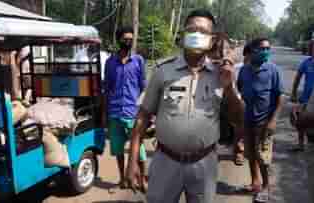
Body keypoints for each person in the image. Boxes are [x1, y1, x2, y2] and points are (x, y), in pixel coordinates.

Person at [127, 9, 244, 203]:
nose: (197, 35)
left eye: (203, 32)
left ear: (213, 39)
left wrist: (229, 86)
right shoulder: (163, 71)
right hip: (165, 161)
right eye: (192, 30)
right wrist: (132, 161)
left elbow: (238, 119)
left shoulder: (222, 73)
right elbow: (143, 116)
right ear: (183, 35)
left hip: (204, 164)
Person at [237, 38, 284, 202]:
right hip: (248, 119)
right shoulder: (243, 70)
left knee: (263, 157)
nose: (266, 51)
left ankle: (266, 187)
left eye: (268, 48)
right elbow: (240, 90)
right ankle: (255, 182)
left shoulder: (273, 70)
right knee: (250, 153)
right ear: (253, 50)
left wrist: (273, 120)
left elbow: (280, 97)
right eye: (262, 48)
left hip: (265, 122)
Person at [103, 26, 148, 190]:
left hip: (133, 113)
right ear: (118, 40)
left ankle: (142, 180)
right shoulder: (110, 63)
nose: (128, 42)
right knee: (118, 150)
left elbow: (144, 88)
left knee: (140, 152)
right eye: (125, 39)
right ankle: (123, 179)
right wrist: (104, 114)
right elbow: (106, 89)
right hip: (115, 113)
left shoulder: (138, 61)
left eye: (131, 39)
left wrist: (146, 113)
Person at [290, 42, 314, 151]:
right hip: (306, 98)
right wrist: (294, 93)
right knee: (299, 121)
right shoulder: (306, 63)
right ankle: (301, 144)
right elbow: (297, 78)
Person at [232, 43, 252, 166]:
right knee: (239, 129)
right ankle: (239, 151)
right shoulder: (237, 68)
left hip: (253, 105)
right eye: (249, 56)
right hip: (237, 104)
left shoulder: (261, 69)